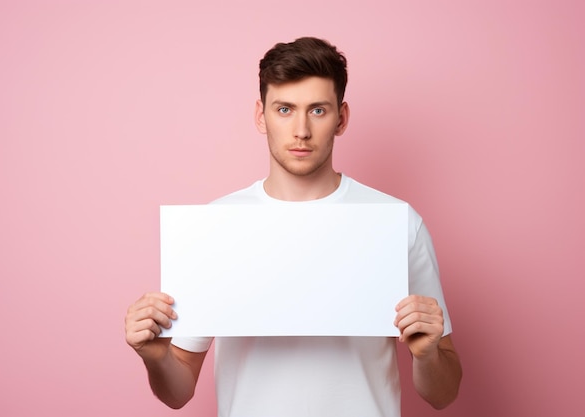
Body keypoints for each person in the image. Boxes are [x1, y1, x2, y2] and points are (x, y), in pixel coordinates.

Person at [125, 36, 462, 417]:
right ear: (260, 115)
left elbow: (444, 394)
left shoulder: (396, 221)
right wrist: (154, 357)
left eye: (317, 110)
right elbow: (178, 391)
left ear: (342, 117)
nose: (300, 130)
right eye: (284, 109)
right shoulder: (217, 226)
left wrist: (429, 353)